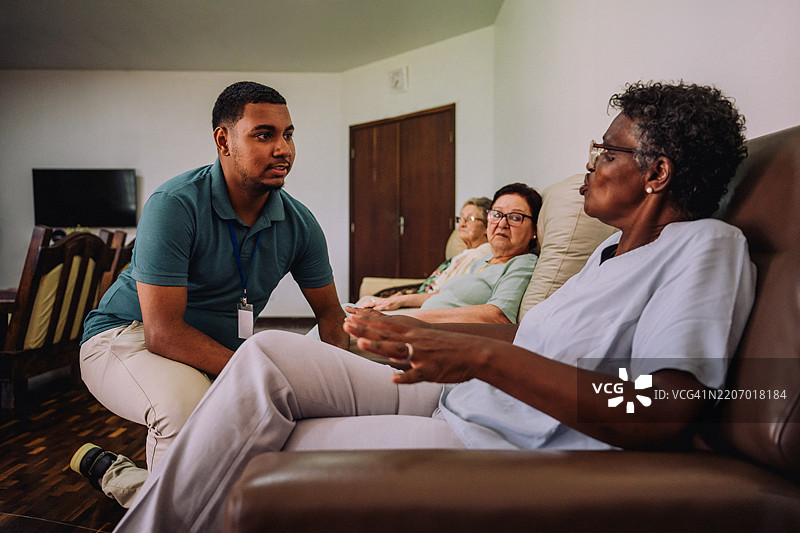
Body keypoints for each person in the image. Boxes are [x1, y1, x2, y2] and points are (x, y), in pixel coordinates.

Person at [111, 81, 755, 532]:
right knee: (267, 354)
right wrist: (418, 335)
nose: (588, 168)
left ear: (657, 172)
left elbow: (667, 404)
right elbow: (535, 347)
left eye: (605, 153)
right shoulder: (607, 255)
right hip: (470, 400)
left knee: (276, 444)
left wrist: (476, 354)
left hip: (504, 439)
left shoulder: (705, 246)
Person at [69, 81, 349, 507]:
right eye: (264, 134)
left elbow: (331, 314)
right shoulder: (175, 203)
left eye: (288, 134)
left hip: (208, 352)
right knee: (187, 412)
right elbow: (162, 333)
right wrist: (258, 371)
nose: (284, 149)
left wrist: (339, 389)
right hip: (125, 337)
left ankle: (119, 477)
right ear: (224, 140)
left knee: (263, 435)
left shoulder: (299, 224)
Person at [358, 183, 541, 324]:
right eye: (497, 214)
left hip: (428, 331)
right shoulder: (484, 261)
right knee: (348, 310)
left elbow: (499, 315)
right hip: (419, 320)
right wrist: (396, 304)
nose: (502, 223)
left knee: (339, 323)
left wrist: (409, 319)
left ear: (534, 230)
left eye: (515, 217)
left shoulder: (523, 263)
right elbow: (445, 295)